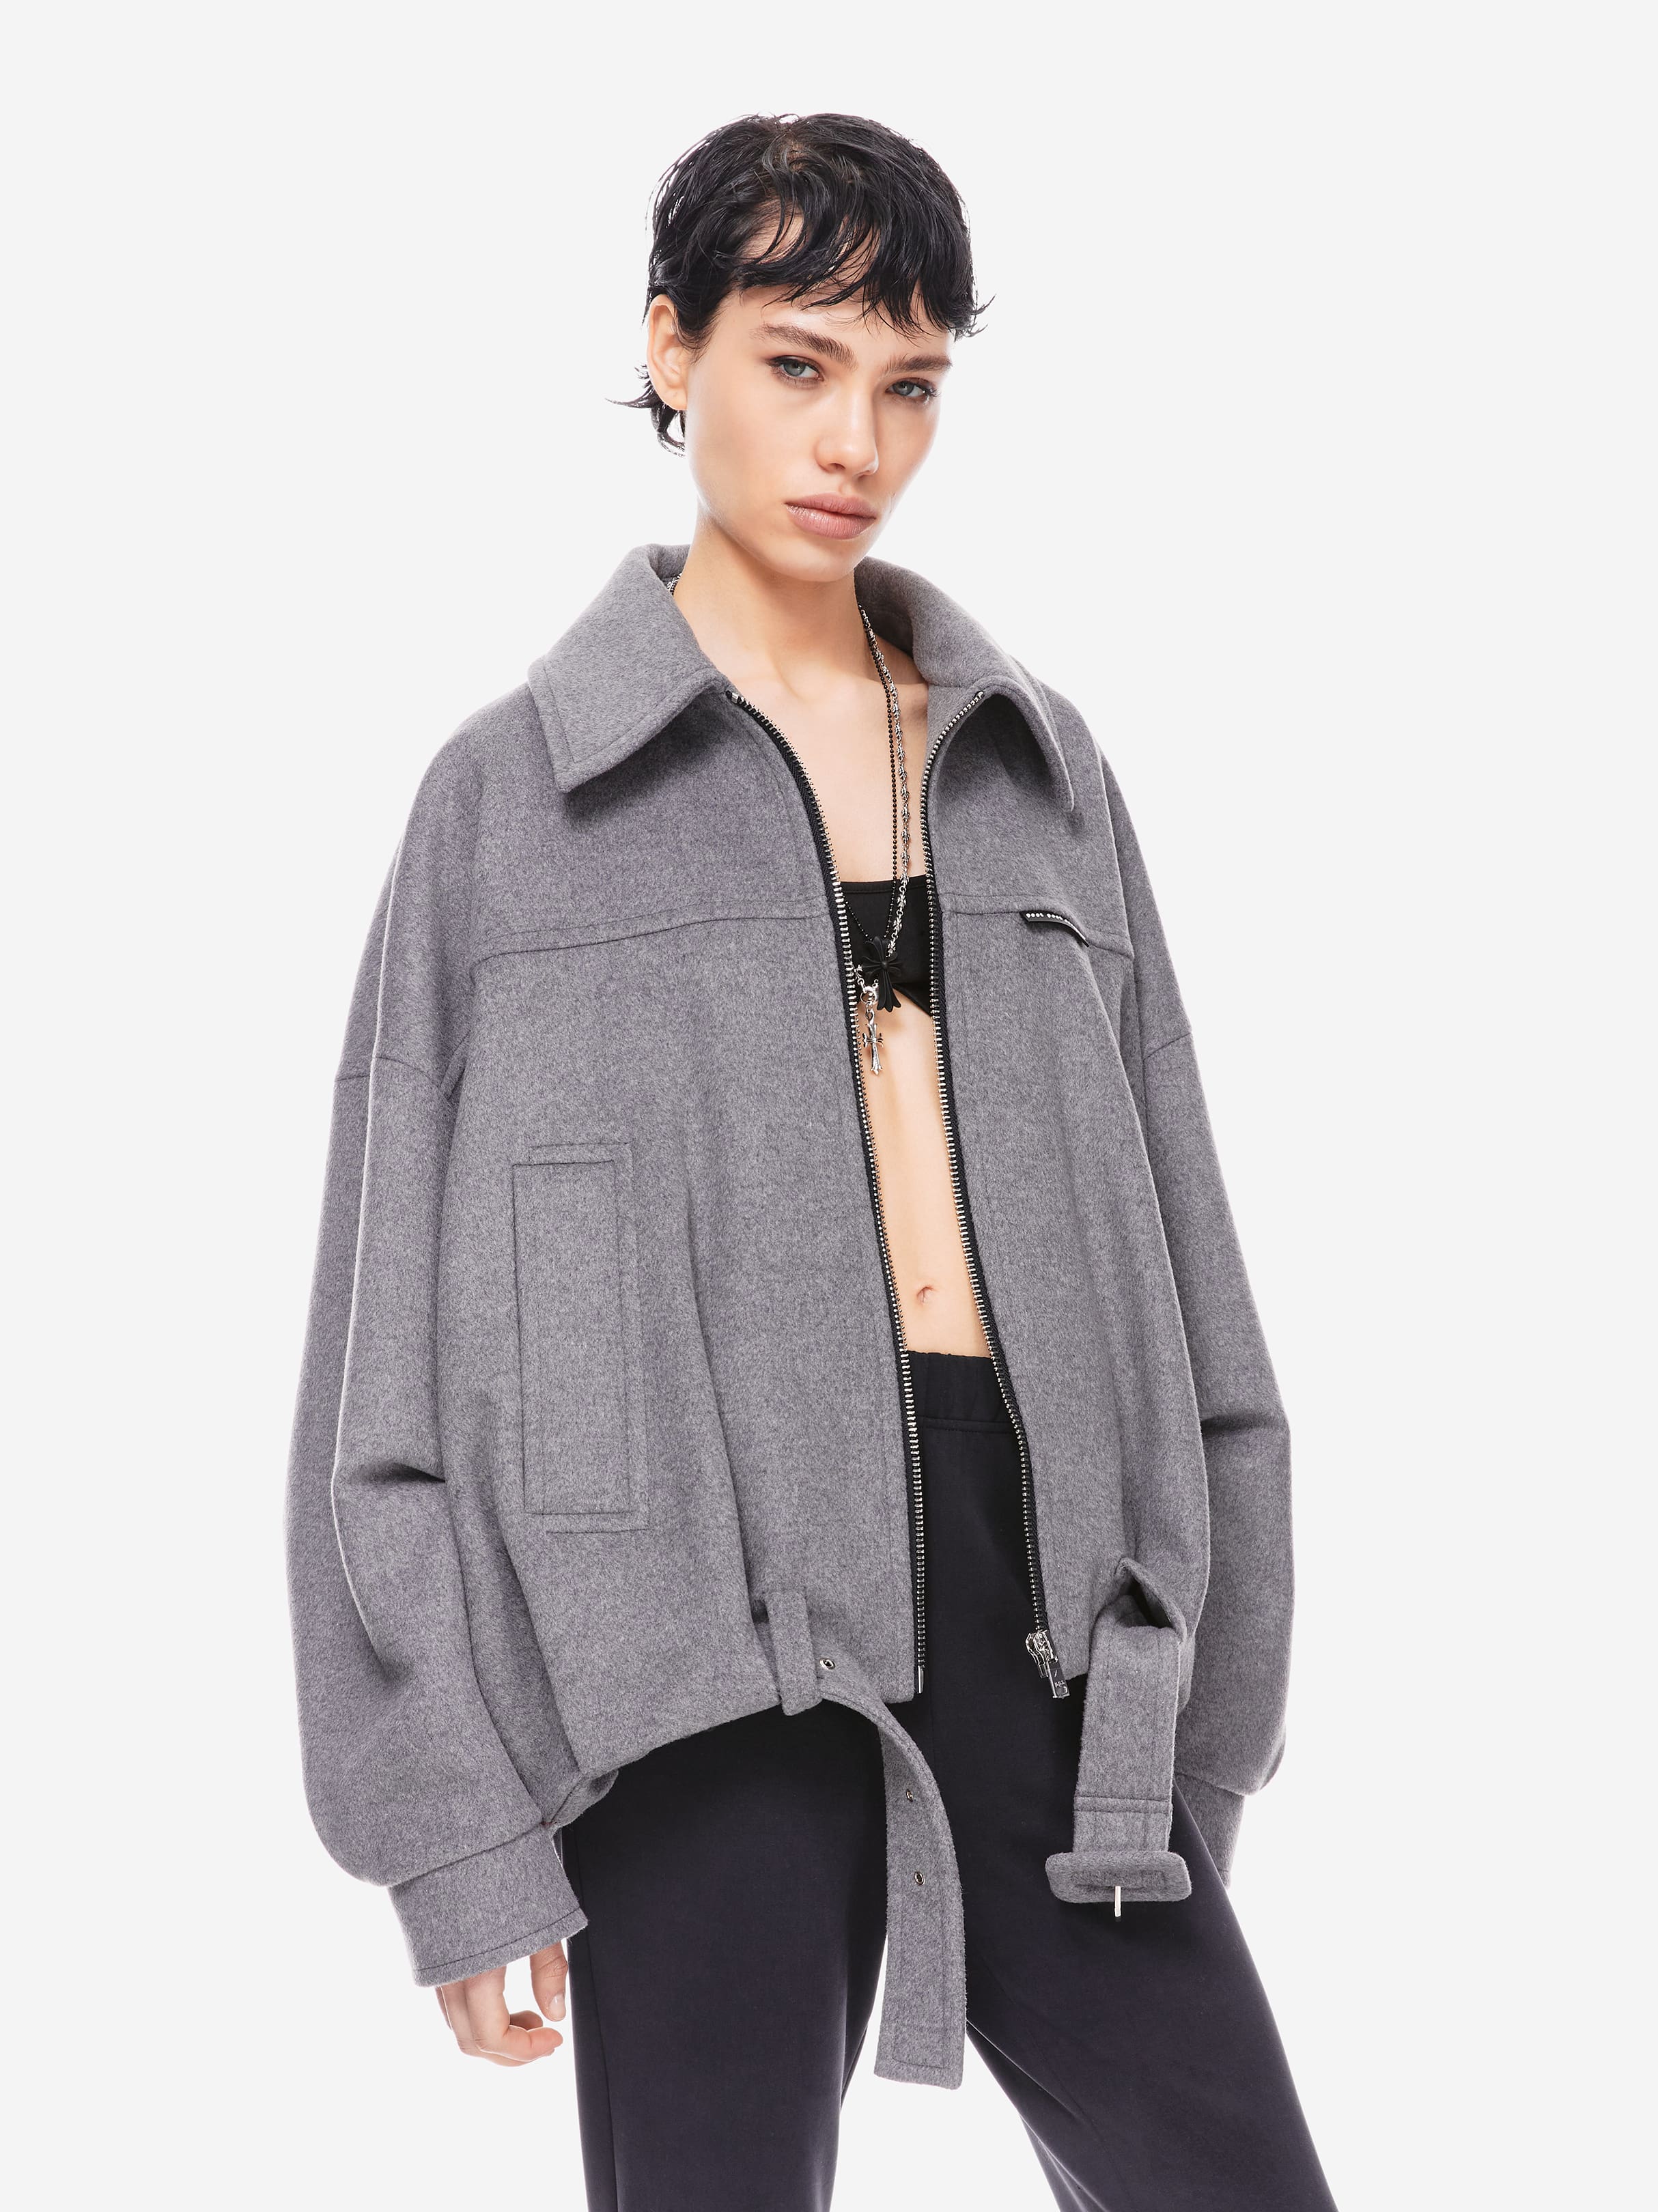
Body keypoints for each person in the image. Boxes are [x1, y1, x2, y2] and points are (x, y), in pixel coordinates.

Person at [286, 110, 1338, 2211]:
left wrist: (1206, 1726)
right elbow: (375, 1372)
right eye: (797, 361)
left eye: (910, 382)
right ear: (670, 349)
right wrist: (453, 1830)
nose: (856, 437)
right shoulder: (510, 804)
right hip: (689, 1664)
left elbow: (1193, 1276)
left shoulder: (1040, 772)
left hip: (1055, 1639)